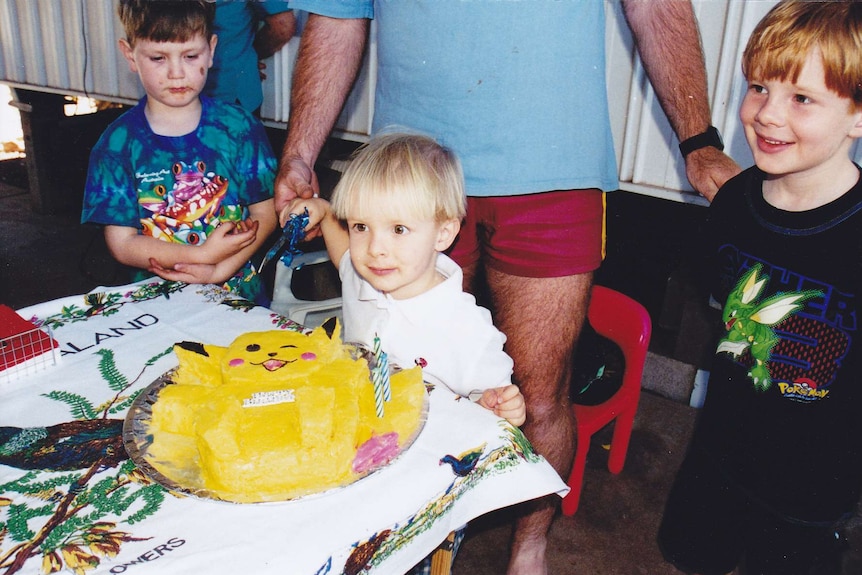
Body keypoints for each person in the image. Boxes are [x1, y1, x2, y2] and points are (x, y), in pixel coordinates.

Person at [273, 2, 742, 574]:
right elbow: (338, 15)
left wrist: (698, 143)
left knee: (540, 393)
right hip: (411, 175)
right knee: (400, 384)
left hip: (553, 167)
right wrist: (297, 155)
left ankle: (530, 547)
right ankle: (408, 541)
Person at [658, 2, 862, 574]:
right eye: (758, 88)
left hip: (815, 489)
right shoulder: (735, 205)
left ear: (857, 115)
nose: (767, 114)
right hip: (718, 456)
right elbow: (717, 302)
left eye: (801, 98)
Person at [282, 132, 526, 427]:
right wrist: (322, 211)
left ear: (443, 233)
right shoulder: (366, 277)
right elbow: (344, 253)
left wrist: (499, 407)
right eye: (361, 226)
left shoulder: (469, 331)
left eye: (398, 229)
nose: (375, 249)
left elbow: (493, 405)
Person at [81, 0, 277, 303]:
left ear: (211, 50)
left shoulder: (240, 127)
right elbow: (122, 244)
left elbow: (266, 214)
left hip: (240, 300)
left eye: (190, 56)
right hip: (157, 304)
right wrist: (201, 255)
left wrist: (219, 269)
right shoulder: (116, 144)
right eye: (158, 57)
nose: (176, 73)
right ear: (130, 54)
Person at [204, 1, 296, 113]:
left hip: (227, 93)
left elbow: (282, 25)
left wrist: (249, 57)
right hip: (224, 87)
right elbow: (283, 25)